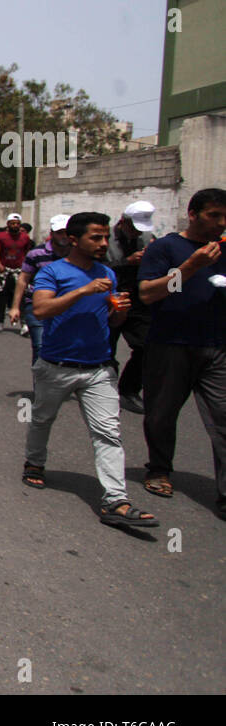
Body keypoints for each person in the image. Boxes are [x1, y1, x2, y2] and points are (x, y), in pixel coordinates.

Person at [21, 212, 157, 529]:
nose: (103, 243)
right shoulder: (53, 272)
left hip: (98, 369)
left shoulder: (107, 272)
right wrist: (82, 291)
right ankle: (35, 462)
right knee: (42, 419)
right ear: (73, 238)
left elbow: (111, 322)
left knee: (108, 433)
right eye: (96, 237)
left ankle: (116, 501)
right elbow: (41, 309)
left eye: (106, 237)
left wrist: (118, 312)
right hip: (56, 366)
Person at [136, 188, 226, 515]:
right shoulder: (165, 248)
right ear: (193, 213)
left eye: (225, 217)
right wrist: (190, 267)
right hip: (170, 345)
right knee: (161, 414)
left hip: (217, 349)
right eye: (213, 215)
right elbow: (148, 294)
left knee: (223, 417)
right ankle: (159, 469)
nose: (221, 223)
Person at [107, 201, 157, 414]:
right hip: (109, 297)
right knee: (106, 347)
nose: (137, 233)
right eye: (133, 227)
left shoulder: (146, 238)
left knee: (148, 346)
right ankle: (105, 388)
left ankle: (128, 390)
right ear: (122, 222)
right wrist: (127, 261)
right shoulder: (103, 237)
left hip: (137, 299)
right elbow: (93, 267)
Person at [9, 214, 72, 363]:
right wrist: (15, 307)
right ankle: (40, 383)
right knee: (40, 346)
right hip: (37, 305)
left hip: (67, 305)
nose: (64, 236)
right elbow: (23, 279)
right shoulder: (36, 254)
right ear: (52, 234)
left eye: (66, 232)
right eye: (59, 232)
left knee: (64, 347)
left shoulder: (76, 254)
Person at [0, 213, 32, 331]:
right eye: (12, 223)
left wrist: (26, 268)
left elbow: (27, 253)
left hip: (19, 270)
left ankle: (24, 323)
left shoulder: (25, 237)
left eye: (17, 224)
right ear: (8, 224)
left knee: (21, 296)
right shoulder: (0, 236)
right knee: (2, 296)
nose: (15, 226)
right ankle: (0, 321)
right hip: (5, 270)